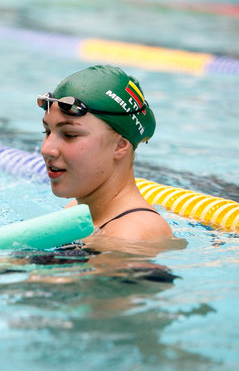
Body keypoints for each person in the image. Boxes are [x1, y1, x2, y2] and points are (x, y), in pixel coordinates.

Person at [37, 65, 173, 241]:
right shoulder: (77, 212)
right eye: (47, 132)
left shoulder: (131, 235)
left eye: (70, 135)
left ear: (119, 146)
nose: (46, 149)